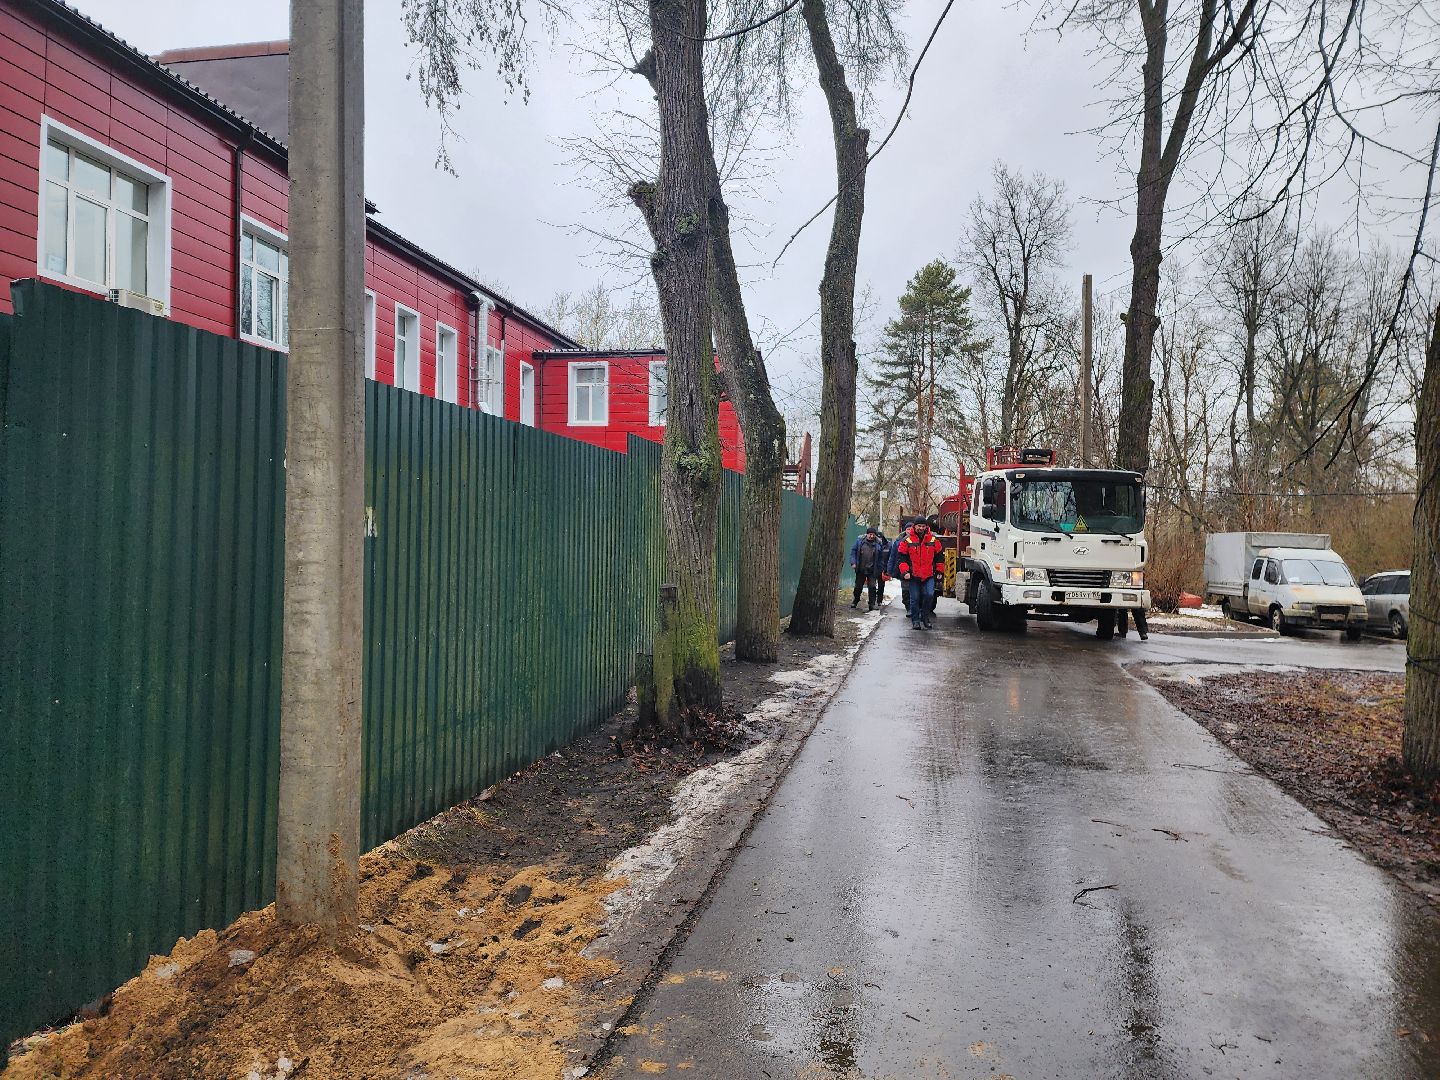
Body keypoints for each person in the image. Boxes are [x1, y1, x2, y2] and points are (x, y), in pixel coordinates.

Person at [897, 517, 945, 630]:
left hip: (928, 575)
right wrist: (905, 572)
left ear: (926, 527)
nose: (921, 528)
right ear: (915, 526)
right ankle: (916, 621)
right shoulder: (907, 540)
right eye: (919, 526)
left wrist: (939, 571)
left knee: (929, 595)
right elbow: (902, 559)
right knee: (915, 598)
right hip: (913, 575)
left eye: (923, 526)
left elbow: (939, 557)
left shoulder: (933, 540)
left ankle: (925, 617)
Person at [849, 525, 886, 610]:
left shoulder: (878, 544)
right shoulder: (860, 541)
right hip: (861, 568)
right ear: (867, 534)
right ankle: (855, 600)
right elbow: (853, 552)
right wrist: (853, 562)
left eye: (873, 535)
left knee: (872, 587)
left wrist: (880, 569)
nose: (871, 536)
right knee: (858, 587)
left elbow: (881, 558)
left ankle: (872, 604)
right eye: (870, 534)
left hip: (872, 570)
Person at [888, 516, 914, 613]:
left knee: (914, 590)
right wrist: (890, 569)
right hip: (902, 568)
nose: (909, 531)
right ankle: (908, 607)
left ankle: (914, 607)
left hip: (915, 568)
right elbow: (893, 556)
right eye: (908, 529)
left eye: (911, 529)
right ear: (905, 530)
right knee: (906, 589)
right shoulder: (899, 541)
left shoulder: (917, 540)